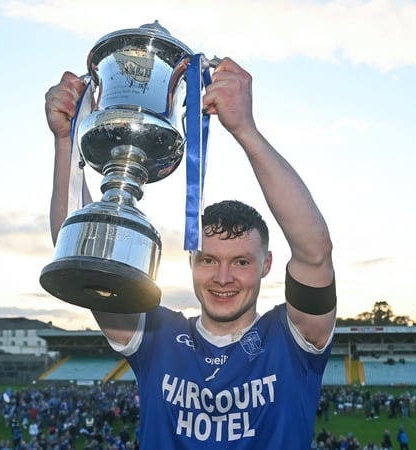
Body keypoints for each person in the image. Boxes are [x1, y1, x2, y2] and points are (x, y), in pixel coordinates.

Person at [45, 56, 336, 449]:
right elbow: (81, 256)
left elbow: (315, 251)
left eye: (242, 262)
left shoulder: (292, 337)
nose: (222, 277)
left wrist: (245, 130)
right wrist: (66, 141)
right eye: (208, 259)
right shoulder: (158, 337)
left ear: (267, 264)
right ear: (190, 262)